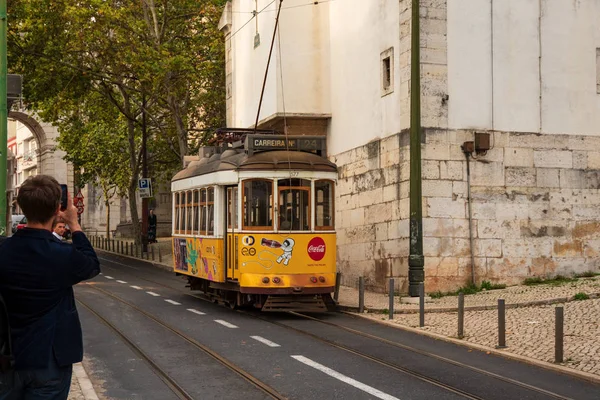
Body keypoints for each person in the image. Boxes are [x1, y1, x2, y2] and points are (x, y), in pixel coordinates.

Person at [0, 175, 100, 399]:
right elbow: (91, 265)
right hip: (49, 360)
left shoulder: (3, 251)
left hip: (8, 358)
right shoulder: (62, 255)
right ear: (58, 209)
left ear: (22, 206)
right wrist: (74, 224)